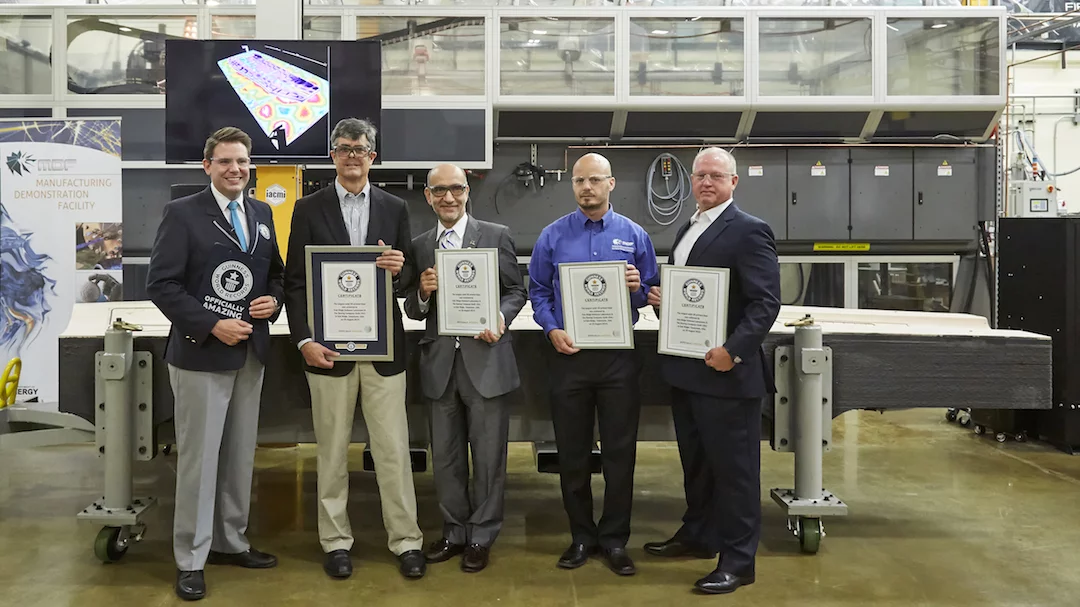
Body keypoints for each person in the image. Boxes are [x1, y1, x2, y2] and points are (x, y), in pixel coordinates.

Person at [146, 126, 286, 601]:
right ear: (207, 166)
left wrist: (274, 301)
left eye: (242, 162)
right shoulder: (182, 214)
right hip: (201, 353)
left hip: (250, 352)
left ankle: (230, 541)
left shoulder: (263, 212)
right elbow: (161, 284)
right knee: (200, 460)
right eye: (225, 161)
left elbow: (277, 275)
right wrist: (210, 325)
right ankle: (190, 557)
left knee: (239, 456)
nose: (235, 169)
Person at [282, 117, 425, 580]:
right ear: (332, 156)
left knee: (393, 451)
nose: (351, 156)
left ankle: (406, 541)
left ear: (372, 157)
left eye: (359, 149)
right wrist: (303, 339)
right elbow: (297, 283)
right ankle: (335, 541)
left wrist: (399, 267)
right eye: (342, 148)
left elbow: (403, 281)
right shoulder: (307, 208)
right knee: (331, 450)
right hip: (328, 352)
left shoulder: (394, 206)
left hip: (384, 351)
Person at [644, 147, 781, 595]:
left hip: (726, 374)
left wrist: (734, 351)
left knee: (735, 473)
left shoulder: (749, 230)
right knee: (697, 465)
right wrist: (667, 301)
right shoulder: (688, 227)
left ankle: (739, 561)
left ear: (733, 182)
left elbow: (765, 304)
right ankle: (699, 535)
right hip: (686, 370)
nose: (706, 183)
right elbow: (695, 294)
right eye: (700, 175)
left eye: (716, 176)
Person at [527, 152, 659, 576]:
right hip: (569, 357)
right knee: (573, 454)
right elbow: (539, 292)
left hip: (619, 359)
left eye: (595, 180)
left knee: (621, 455)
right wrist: (551, 330)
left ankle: (615, 539)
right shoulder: (552, 235)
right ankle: (582, 536)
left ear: (611, 184)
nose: (587, 187)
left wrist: (640, 289)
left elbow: (650, 293)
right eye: (580, 180)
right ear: (572, 185)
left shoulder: (634, 234)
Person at [403, 164, 527, 573]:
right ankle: (455, 531)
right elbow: (412, 306)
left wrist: (501, 318)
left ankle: (481, 535)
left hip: (486, 360)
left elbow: (515, 290)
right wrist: (422, 292)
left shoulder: (496, 235)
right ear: (427, 196)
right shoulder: (420, 245)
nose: (448, 198)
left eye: (455, 189)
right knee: (447, 457)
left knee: (490, 457)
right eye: (439, 191)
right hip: (440, 364)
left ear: (467, 191)